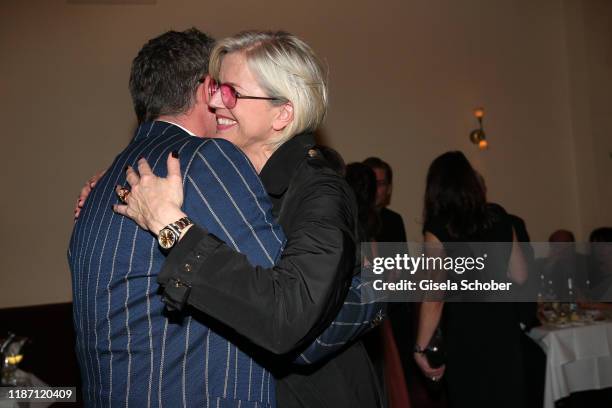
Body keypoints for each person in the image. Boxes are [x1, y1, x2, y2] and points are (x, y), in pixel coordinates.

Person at [69, 29, 381, 407]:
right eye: (215, 88)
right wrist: (116, 185)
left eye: (230, 91)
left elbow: (290, 325)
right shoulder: (226, 179)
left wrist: (382, 284)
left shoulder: (319, 190)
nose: (213, 101)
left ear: (282, 113)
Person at [414, 151, 528, 408]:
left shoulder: (438, 227)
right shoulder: (499, 215)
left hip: (467, 334)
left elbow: (435, 296)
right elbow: (520, 274)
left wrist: (420, 348)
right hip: (503, 329)